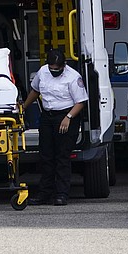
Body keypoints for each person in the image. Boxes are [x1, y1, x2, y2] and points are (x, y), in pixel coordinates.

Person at [21, 48, 87, 206]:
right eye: (52, 68)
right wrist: (23, 107)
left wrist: (68, 117)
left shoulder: (72, 77)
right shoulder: (43, 72)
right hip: (47, 116)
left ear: (64, 65)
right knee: (46, 155)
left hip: (66, 116)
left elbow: (81, 101)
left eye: (57, 69)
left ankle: (62, 194)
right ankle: (44, 193)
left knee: (62, 156)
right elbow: (35, 91)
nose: (54, 71)